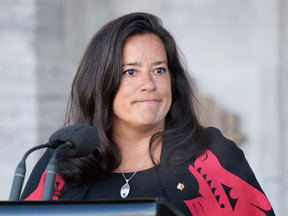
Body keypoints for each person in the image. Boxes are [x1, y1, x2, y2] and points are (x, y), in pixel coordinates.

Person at [21, 12, 275, 215]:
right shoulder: (61, 160)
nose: (149, 84)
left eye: (159, 70)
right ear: (101, 83)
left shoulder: (213, 156)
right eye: (130, 71)